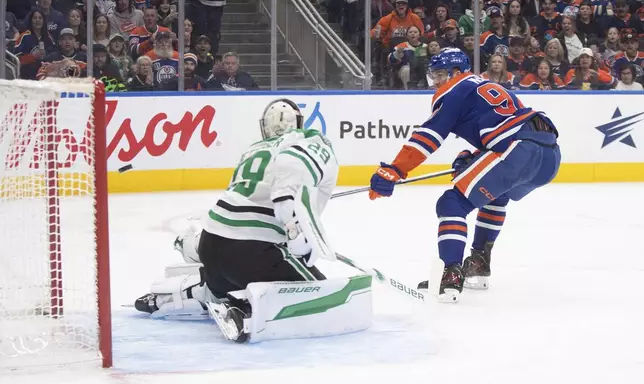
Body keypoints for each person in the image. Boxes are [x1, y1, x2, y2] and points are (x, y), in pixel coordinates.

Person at [134, 99, 372, 342]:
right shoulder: (304, 140)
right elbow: (297, 159)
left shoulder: (253, 150)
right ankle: (247, 310)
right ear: (298, 123)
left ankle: (190, 295)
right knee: (320, 294)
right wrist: (288, 203)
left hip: (211, 242)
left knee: (224, 277)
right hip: (252, 250)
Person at [368, 48, 561, 303]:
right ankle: (479, 262)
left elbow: (428, 137)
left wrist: (395, 169)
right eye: (433, 75)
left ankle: (451, 274)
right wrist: (473, 156)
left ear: (456, 73)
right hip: (549, 155)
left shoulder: (454, 89)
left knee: (452, 203)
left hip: (517, 148)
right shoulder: (485, 86)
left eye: (439, 74)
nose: (435, 82)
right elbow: (503, 126)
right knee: (496, 196)